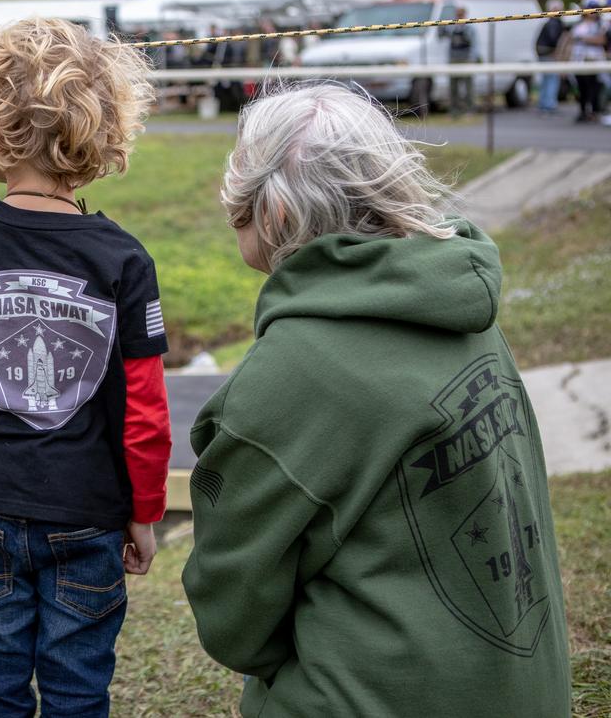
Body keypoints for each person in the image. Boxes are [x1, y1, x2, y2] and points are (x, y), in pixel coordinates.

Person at [184, 82, 571, 717]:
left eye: (240, 205)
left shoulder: (290, 376)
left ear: (277, 215)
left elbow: (233, 614)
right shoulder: (460, 304)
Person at [0, 17, 173, 718]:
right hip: (88, 510)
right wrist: (146, 510)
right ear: (106, 127)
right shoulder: (123, 258)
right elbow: (145, 410)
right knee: (77, 693)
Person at [571, 0, 607, 123]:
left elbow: (601, 40)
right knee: (581, 88)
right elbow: (570, 40)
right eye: (590, 8)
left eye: (595, 8)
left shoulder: (602, 24)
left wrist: (584, 39)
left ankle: (595, 111)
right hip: (579, 59)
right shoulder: (578, 24)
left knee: (595, 87)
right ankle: (583, 112)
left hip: (595, 59)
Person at [535, 0, 568, 117]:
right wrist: (558, 52)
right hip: (550, 54)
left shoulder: (548, 22)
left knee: (546, 80)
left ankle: (543, 104)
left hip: (543, 54)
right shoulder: (555, 23)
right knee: (552, 80)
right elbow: (554, 40)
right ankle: (549, 105)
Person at [448, 7, 477, 117]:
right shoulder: (452, 27)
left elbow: (474, 44)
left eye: (461, 14)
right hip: (453, 59)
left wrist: (472, 59)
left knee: (468, 86)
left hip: (466, 59)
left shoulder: (469, 28)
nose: (459, 16)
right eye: (457, 14)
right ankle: (454, 110)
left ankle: (470, 109)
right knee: (453, 87)